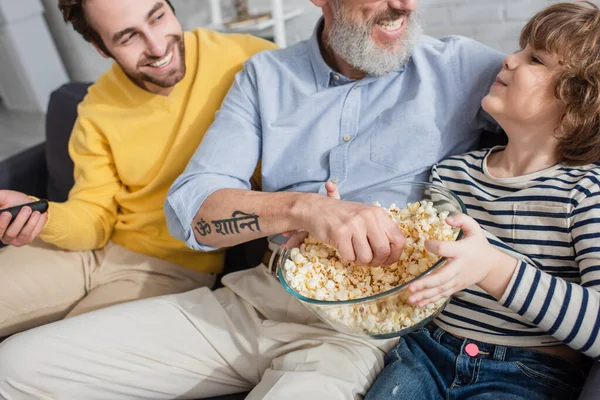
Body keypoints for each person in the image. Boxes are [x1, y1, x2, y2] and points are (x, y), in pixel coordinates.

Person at [0, 0, 505, 398]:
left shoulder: (461, 69)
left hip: (355, 333)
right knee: (17, 368)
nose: (405, 4)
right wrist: (301, 208)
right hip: (250, 303)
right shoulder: (265, 77)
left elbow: (573, 115)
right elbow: (192, 211)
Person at [362, 2, 600, 399]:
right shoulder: (451, 173)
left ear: (578, 109)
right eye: (520, 49)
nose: (508, 59)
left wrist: (494, 268)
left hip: (527, 372)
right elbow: (417, 266)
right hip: (426, 355)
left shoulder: (585, 194)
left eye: (535, 59)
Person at [0, 0, 276, 338]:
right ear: (100, 48)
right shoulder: (96, 107)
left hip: (169, 269)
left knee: (48, 359)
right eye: (128, 37)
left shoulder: (249, 61)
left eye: (158, 17)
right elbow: (92, 219)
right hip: (85, 255)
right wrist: (40, 217)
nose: (157, 46)